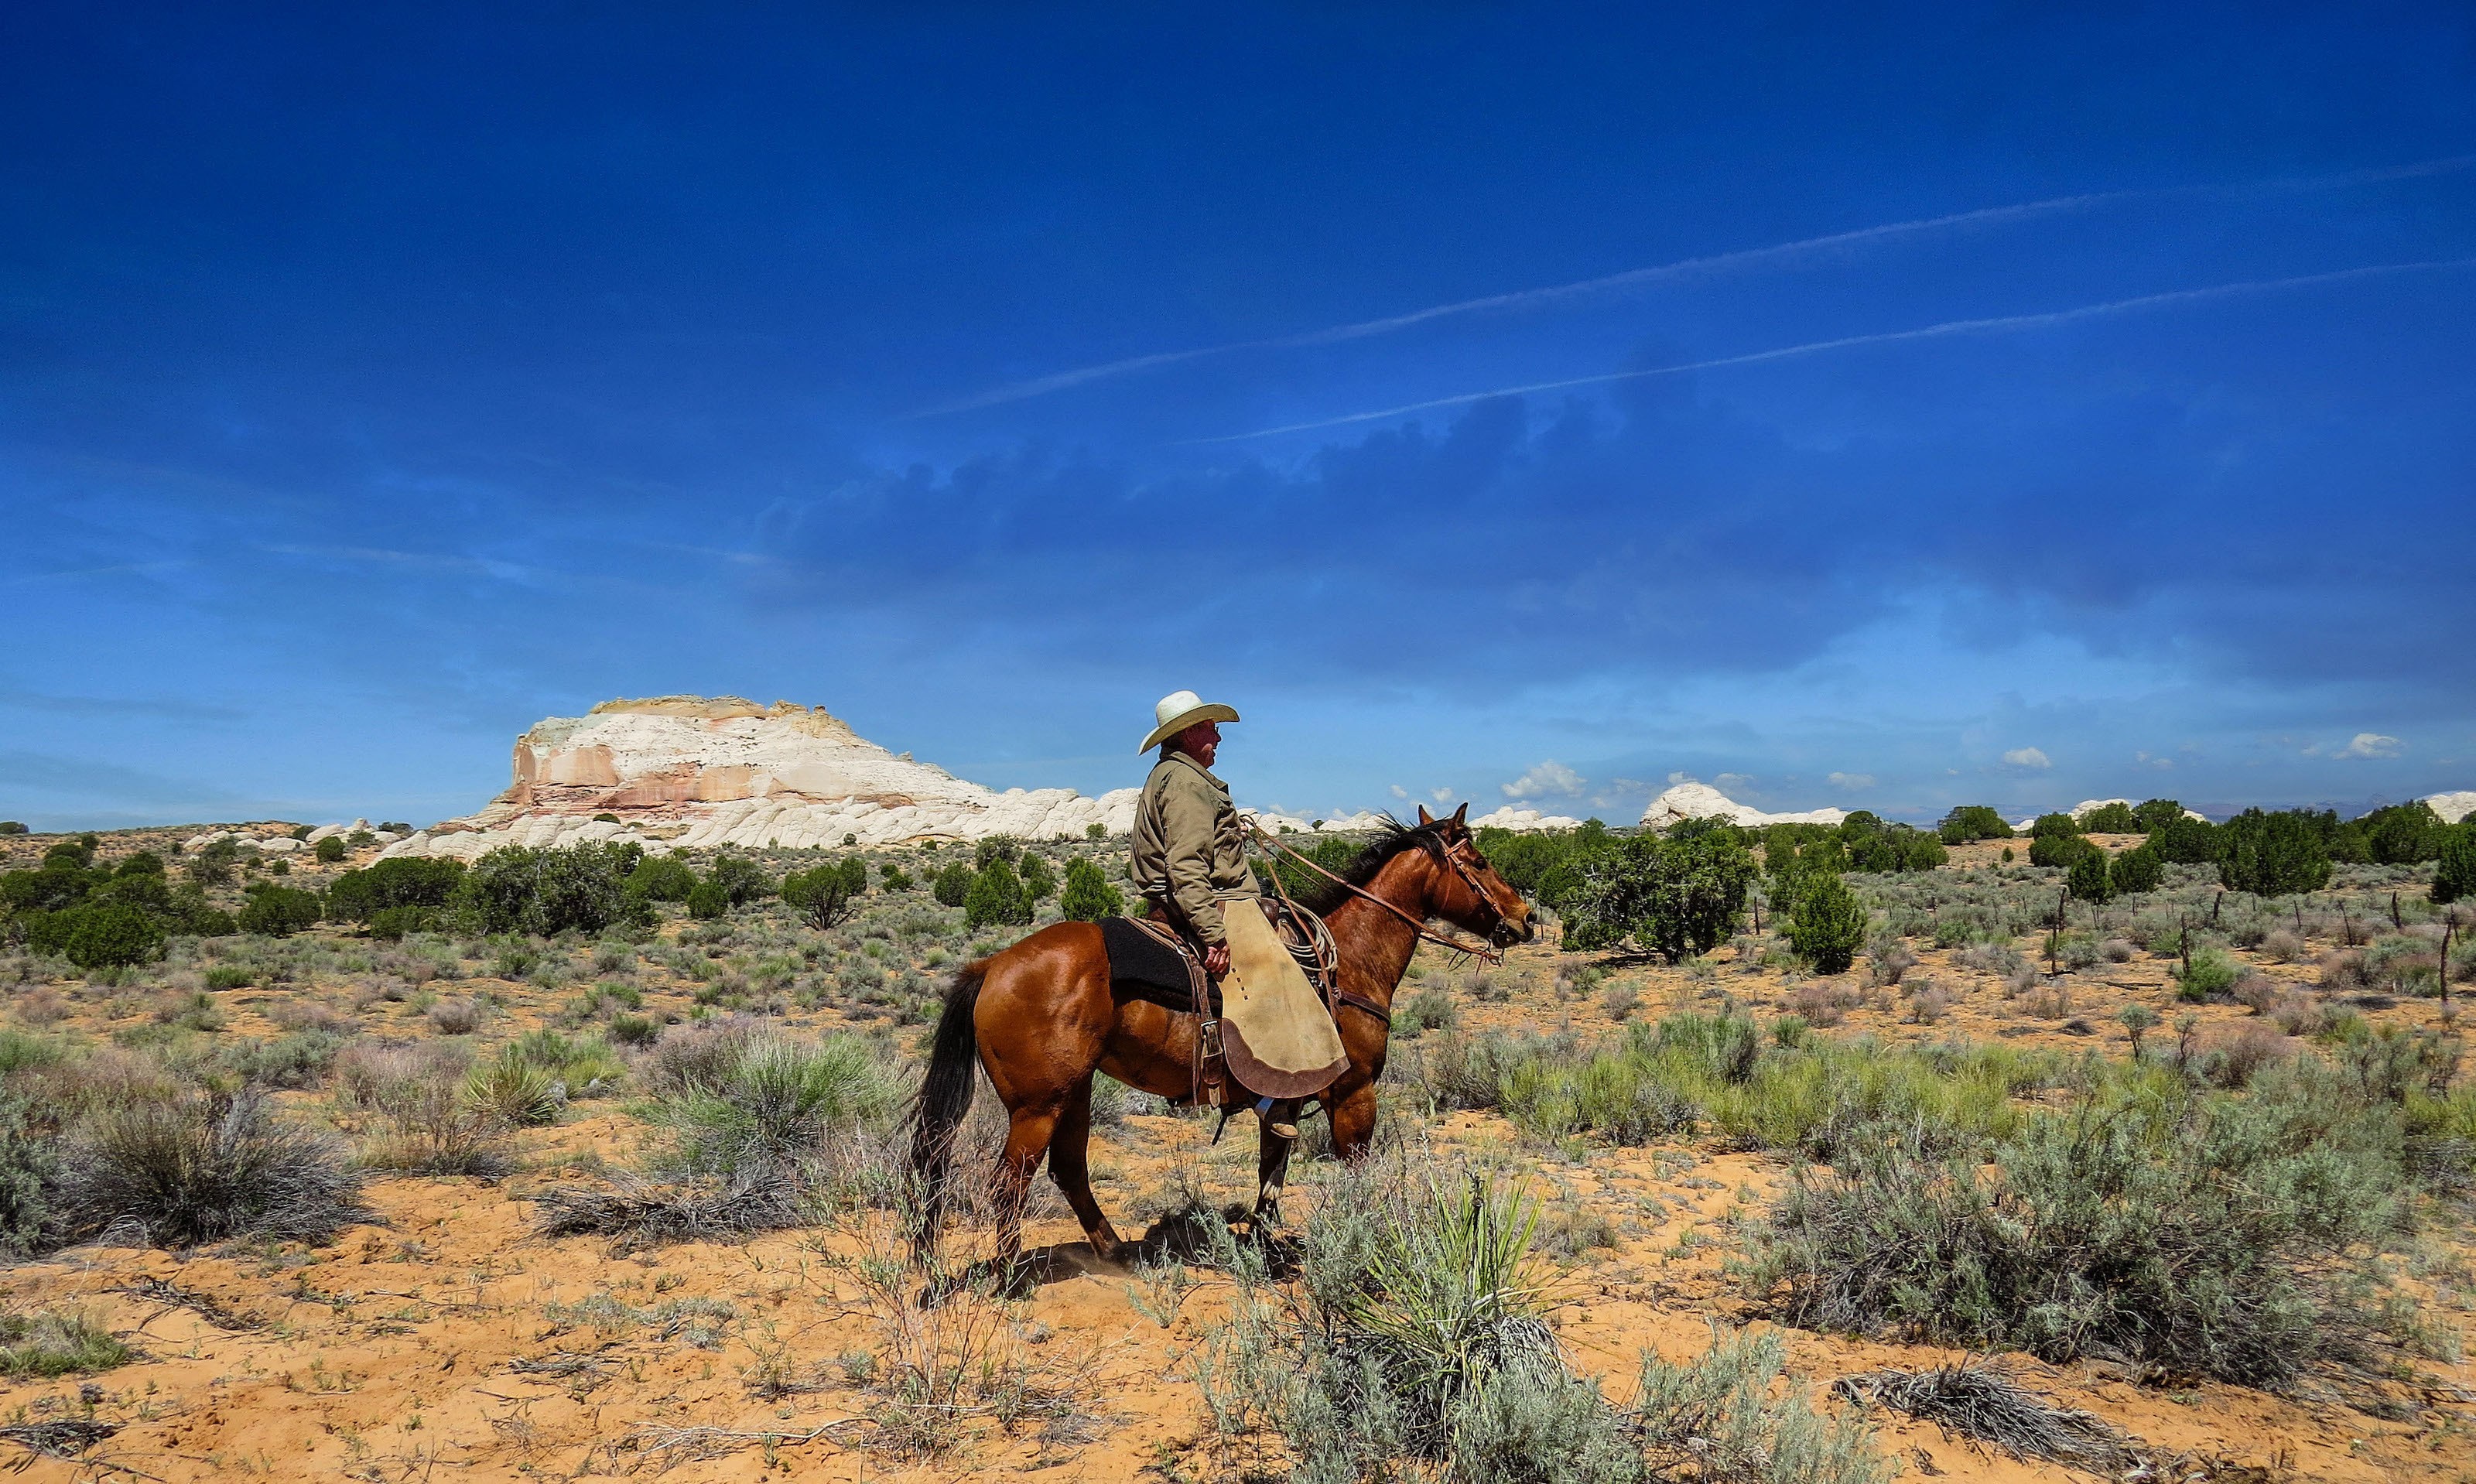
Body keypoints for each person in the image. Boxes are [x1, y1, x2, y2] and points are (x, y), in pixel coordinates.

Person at [1129, 689, 1260, 977]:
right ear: (1190, 733)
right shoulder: (1187, 783)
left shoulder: (1170, 774)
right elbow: (1185, 864)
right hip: (1215, 905)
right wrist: (1213, 934)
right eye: (1213, 729)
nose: (1219, 739)